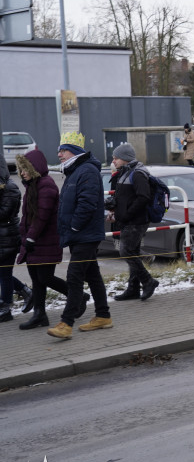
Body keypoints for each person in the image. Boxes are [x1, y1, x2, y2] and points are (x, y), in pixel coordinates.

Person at [47, 137, 111, 339]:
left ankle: (66, 323)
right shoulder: (75, 171)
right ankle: (103, 315)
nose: (59, 155)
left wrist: (74, 225)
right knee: (92, 275)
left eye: (63, 151)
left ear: (74, 151)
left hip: (85, 234)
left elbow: (88, 203)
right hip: (80, 235)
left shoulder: (87, 171)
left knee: (74, 277)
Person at [15, 151, 67, 330]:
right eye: (21, 170)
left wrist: (30, 237)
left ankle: (77, 295)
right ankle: (40, 315)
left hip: (45, 241)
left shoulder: (46, 185)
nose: (22, 173)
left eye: (24, 169)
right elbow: (27, 217)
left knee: (44, 277)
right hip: (35, 241)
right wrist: (22, 235)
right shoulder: (33, 185)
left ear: (34, 168)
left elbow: (41, 217)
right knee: (36, 280)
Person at [108, 143, 159, 302]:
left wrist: (127, 214)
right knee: (133, 253)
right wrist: (113, 207)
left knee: (126, 251)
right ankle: (133, 289)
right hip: (127, 219)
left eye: (116, 157)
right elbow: (125, 197)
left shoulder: (137, 173)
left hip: (136, 221)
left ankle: (148, 281)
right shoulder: (125, 172)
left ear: (125, 158)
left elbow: (143, 197)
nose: (113, 160)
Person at [0, 162, 31, 322]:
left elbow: (4, 213)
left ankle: (5, 308)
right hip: (3, 237)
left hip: (8, 238)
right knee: (3, 273)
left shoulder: (10, 188)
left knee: (4, 274)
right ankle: (24, 290)